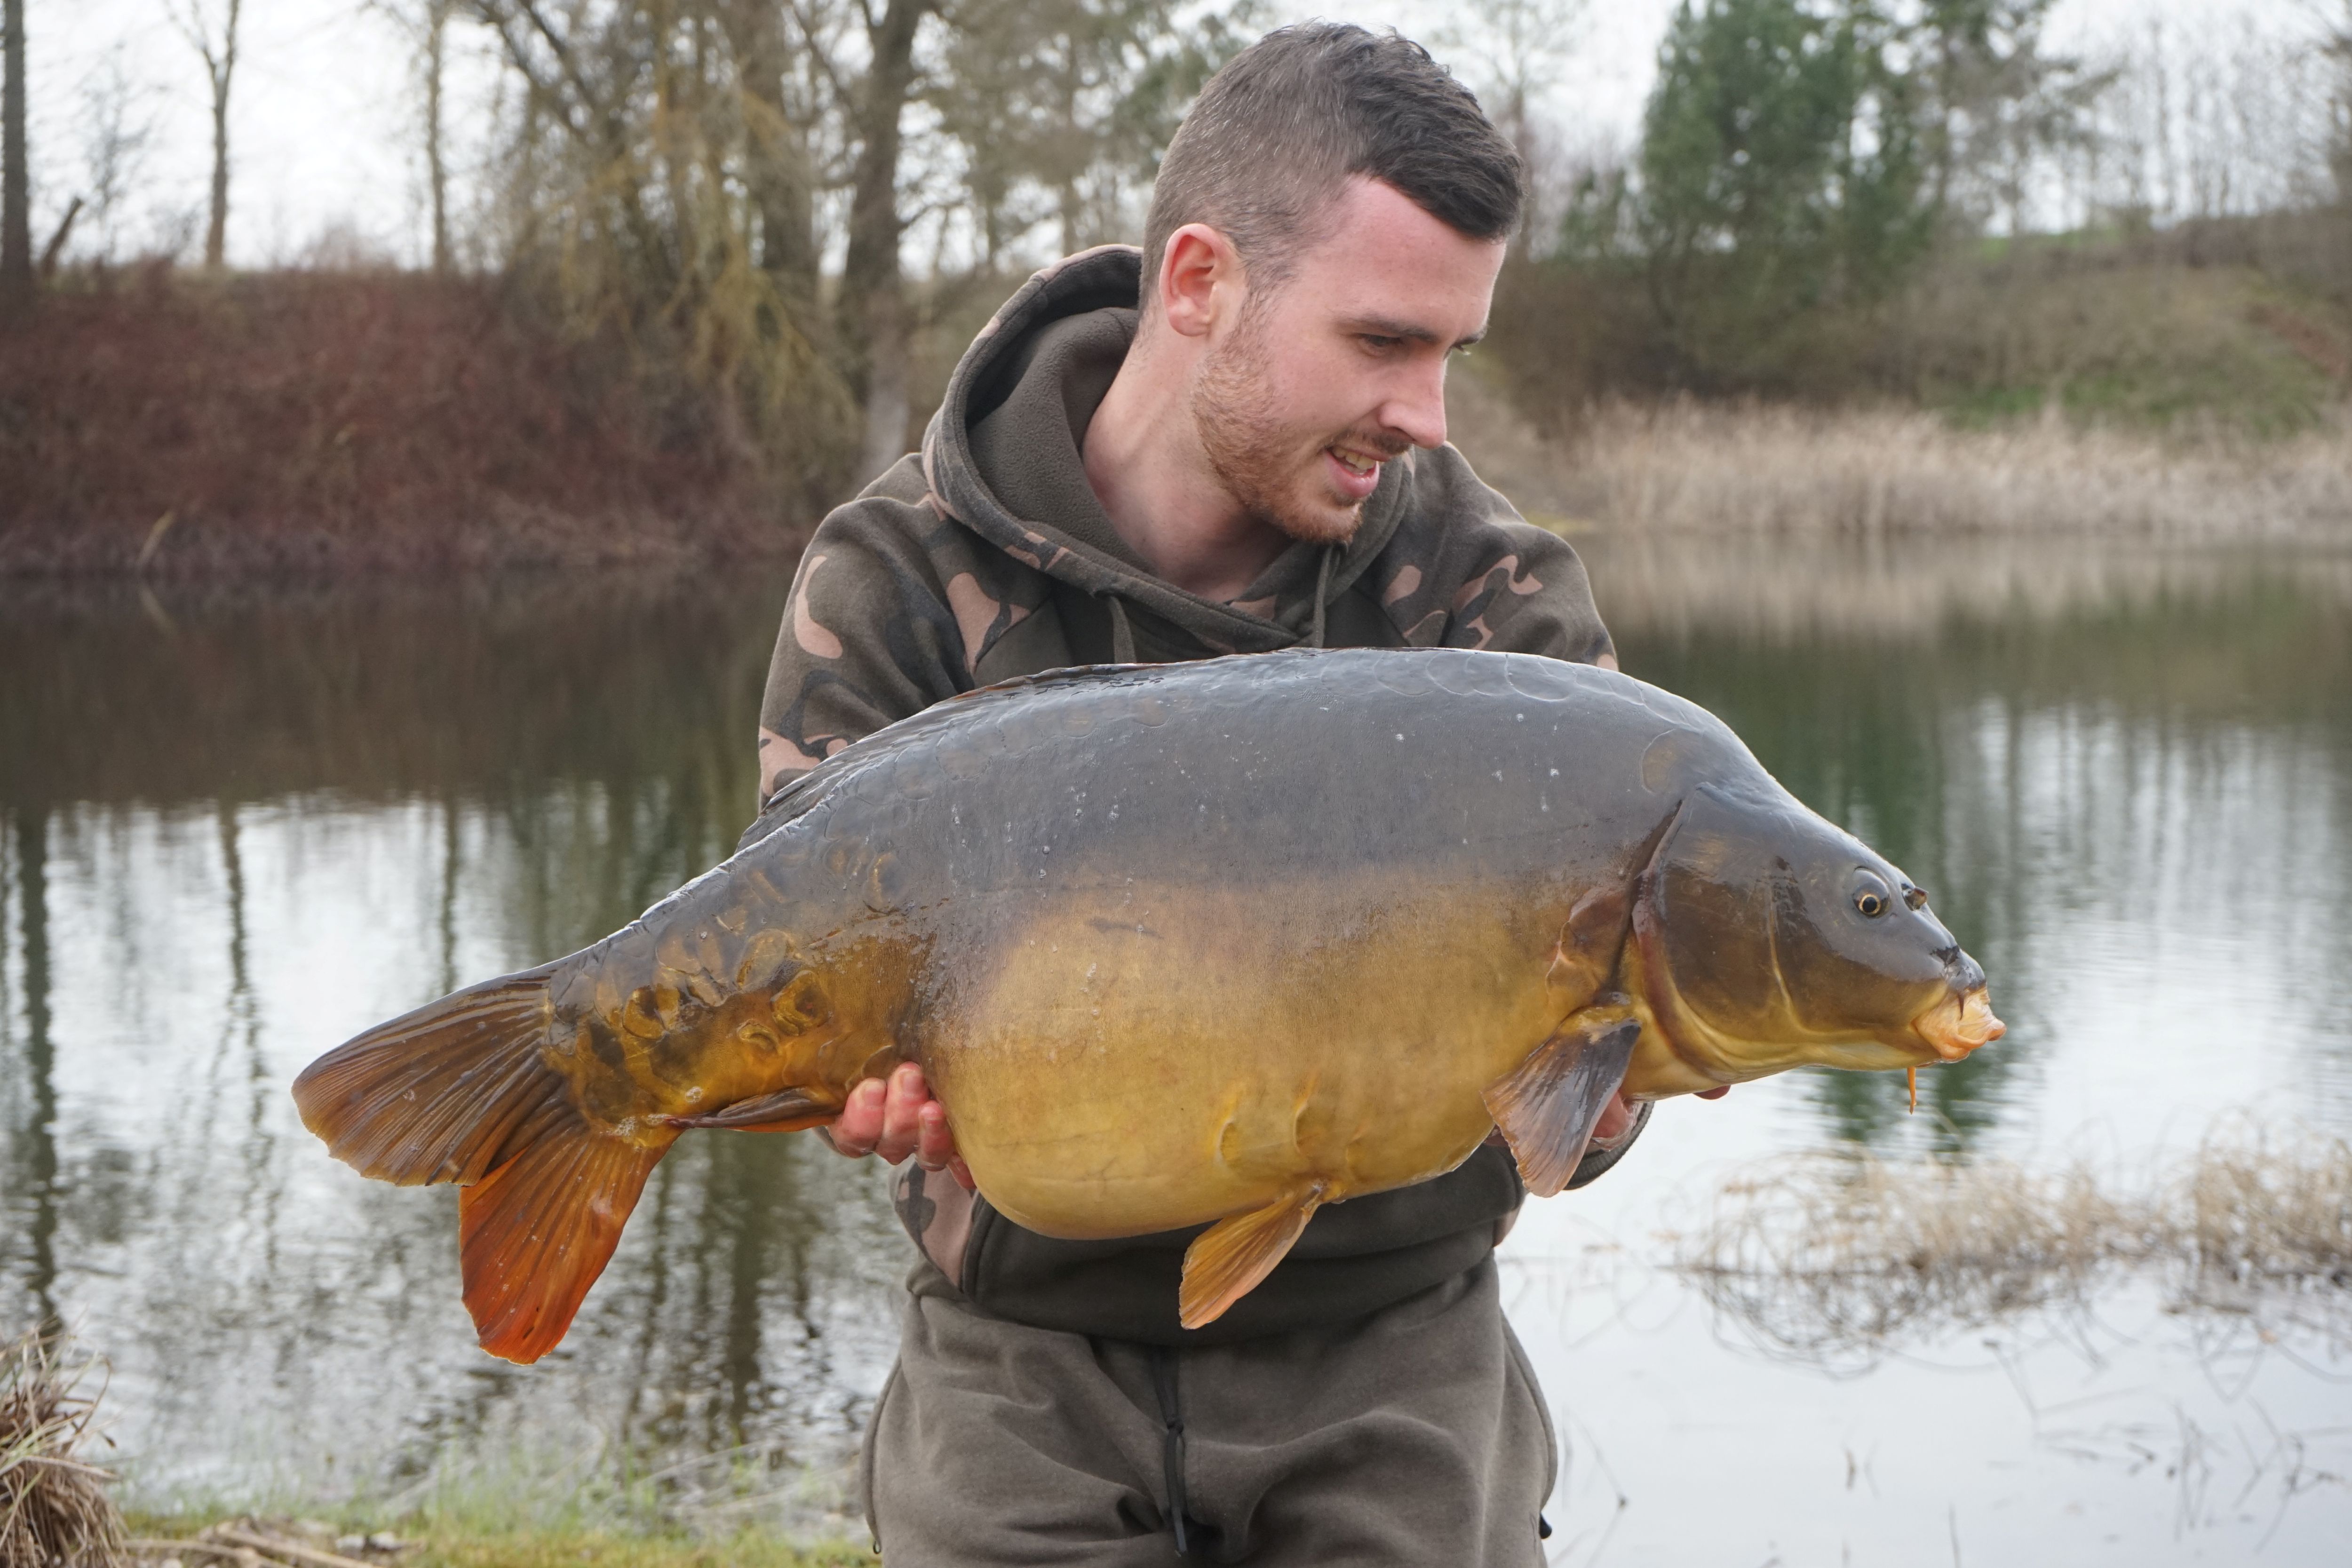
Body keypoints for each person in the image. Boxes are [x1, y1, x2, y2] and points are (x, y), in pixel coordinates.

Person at [740, 23, 1670, 1564]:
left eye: (1452, 353)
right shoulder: (894, 575)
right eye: (1384, 343)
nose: (1428, 416)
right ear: (1197, 284)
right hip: (1018, 1358)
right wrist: (852, 1084)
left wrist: (1616, 1078)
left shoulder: (1493, 603)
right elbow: (802, 960)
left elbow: (1587, 1117)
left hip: (1396, 1352)